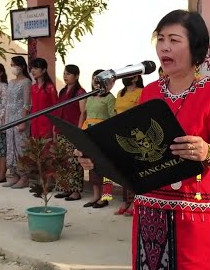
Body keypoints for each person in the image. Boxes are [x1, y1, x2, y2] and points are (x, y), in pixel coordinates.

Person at [76, 9, 210, 270]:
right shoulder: (150, 93)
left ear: (195, 48)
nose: (164, 47)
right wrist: (99, 159)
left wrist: (204, 152)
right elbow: (135, 153)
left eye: (174, 40)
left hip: (194, 210)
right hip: (151, 208)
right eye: (160, 39)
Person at [79, 69, 116, 208]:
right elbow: (86, 114)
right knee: (91, 165)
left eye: (99, 79)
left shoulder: (110, 98)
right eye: (94, 79)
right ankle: (95, 195)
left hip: (103, 134)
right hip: (89, 133)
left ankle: (106, 197)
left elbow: (113, 117)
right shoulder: (89, 97)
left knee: (104, 166)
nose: (96, 82)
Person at [112, 70, 144, 216]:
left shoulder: (142, 92)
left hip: (135, 134)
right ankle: (125, 201)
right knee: (123, 170)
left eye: (128, 75)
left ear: (136, 77)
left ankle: (134, 202)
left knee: (135, 170)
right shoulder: (120, 93)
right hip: (120, 133)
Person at [53, 64, 86, 202]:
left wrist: (78, 130)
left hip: (73, 130)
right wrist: (55, 128)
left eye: (68, 74)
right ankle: (65, 188)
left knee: (74, 162)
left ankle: (75, 191)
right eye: (64, 73)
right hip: (62, 130)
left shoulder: (80, 92)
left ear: (76, 76)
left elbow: (83, 112)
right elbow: (59, 110)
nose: (65, 76)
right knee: (63, 160)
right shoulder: (62, 91)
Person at [3, 55, 32, 189]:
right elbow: (7, 102)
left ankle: (24, 176)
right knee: (11, 146)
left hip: (20, 118)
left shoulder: (26, 82)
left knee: (21, 147)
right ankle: (14, 174)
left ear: (21, 66)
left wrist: (23, 121)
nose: (12, 67)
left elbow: (27, 103)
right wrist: (4, 119)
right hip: (9, 118)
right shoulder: (11, 82)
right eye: (11, 65)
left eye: (14, 65)